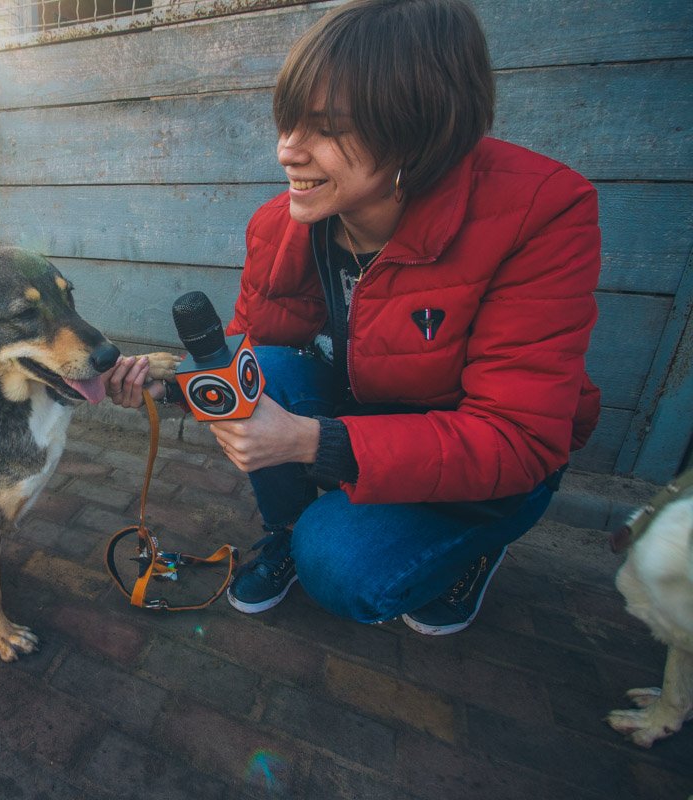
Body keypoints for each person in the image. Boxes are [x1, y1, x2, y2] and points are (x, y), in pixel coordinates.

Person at [102, 0, 600, 635]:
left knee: (339, 568)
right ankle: (288, 533)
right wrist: (161, 387)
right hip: (369, 415)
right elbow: (253, 353)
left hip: (487, 458)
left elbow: (518, 437)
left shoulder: (541, 212)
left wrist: (312, 442)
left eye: (326, 129)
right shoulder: (284, 222)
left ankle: (473, 546)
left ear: (419, 130)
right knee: (266, 370)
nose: (287, 152)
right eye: (286, 124)